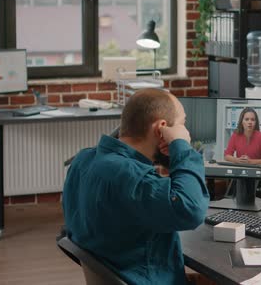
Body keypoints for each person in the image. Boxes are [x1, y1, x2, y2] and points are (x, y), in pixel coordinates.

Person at [62, 88, 210, 285]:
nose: (184, 131)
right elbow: (190, 210)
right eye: (182, 125)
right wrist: (181, 146)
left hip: (122, 272)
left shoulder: (82, 160)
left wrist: (169, 154)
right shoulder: (132, 178)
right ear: (162, 128)